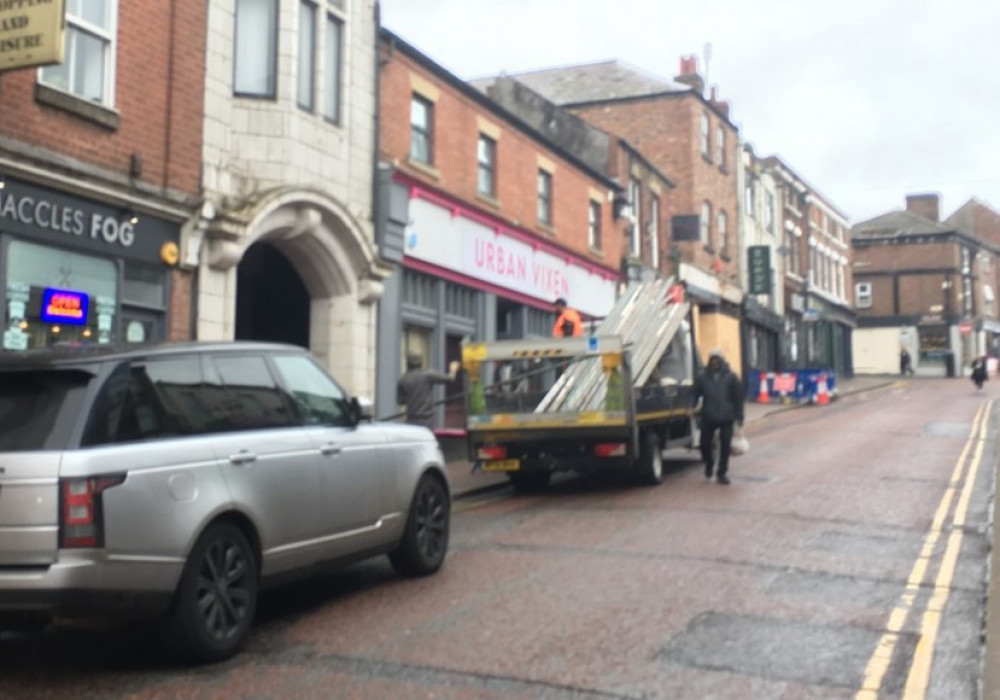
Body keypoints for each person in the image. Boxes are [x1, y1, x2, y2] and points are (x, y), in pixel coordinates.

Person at [693, 348, 745, 486]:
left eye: (717, 360)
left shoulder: (731, 377)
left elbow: (738, 398)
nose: (715, 362)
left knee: (725, 446)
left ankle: (722, 473)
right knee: (704, 444)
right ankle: (709, 463)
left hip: (726, 417)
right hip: (708, 416)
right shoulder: (701, 377)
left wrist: (739, 418)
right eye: (712, 360)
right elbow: (695, 394)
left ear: (722, 361)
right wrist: (691, 406)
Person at [396, 354, 460, 428]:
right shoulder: (427, 375)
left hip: (411, 419)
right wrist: (453, 369)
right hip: (427, 419)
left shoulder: (403, 379)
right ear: (421, 363)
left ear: (407, 364)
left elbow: (400, 401)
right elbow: (450, 378)